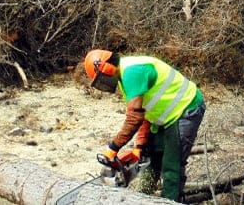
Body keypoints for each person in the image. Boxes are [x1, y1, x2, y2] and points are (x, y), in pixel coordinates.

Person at [84, 49, 206, 202]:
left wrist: (113, 148)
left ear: (107, 68)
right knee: (151, 156)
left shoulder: (132, 73)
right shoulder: (124, 77)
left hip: (186, 108)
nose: (103, 83)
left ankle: (170, 201)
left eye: (101, 79)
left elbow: (134, 118)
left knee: (171, 165)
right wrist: (139, 146)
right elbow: (143, 112)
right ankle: (144, 197)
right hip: (164, 116)